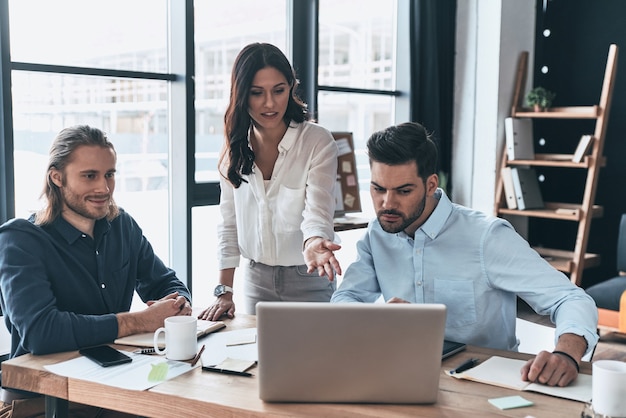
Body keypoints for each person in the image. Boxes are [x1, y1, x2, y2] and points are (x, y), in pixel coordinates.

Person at [331, 121, 599, 387]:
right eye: (378, 189)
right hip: (402, 373)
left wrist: (566, 353)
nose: (387, 204)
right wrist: (372, 320)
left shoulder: (486, 237)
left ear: (430, 184)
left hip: (483, 382)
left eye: (403, 191)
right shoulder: (377, 233)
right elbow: (347, 297)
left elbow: (570, 298)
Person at [0, 125, 192, 417]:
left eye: (109, 174)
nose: (103, 188)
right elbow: (41, 332)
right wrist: (139, 321)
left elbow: (166, 281)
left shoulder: (122, 226)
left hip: (114, 387)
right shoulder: (21, 240)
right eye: (89, 176)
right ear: (57, 177)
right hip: (43, 400)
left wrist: (176, 305)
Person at [199, 43, 341, 321]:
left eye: (279, 90)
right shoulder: (233, 149)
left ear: (291, 88)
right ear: (241, 94)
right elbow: (229, 224)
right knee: (258, 362)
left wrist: (314, 242)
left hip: (308, 277)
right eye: (256, 93)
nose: (270, 103)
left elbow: (318, 211)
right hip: (256, 280)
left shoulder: (317, 141)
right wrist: (224, 291)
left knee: (316, 362)